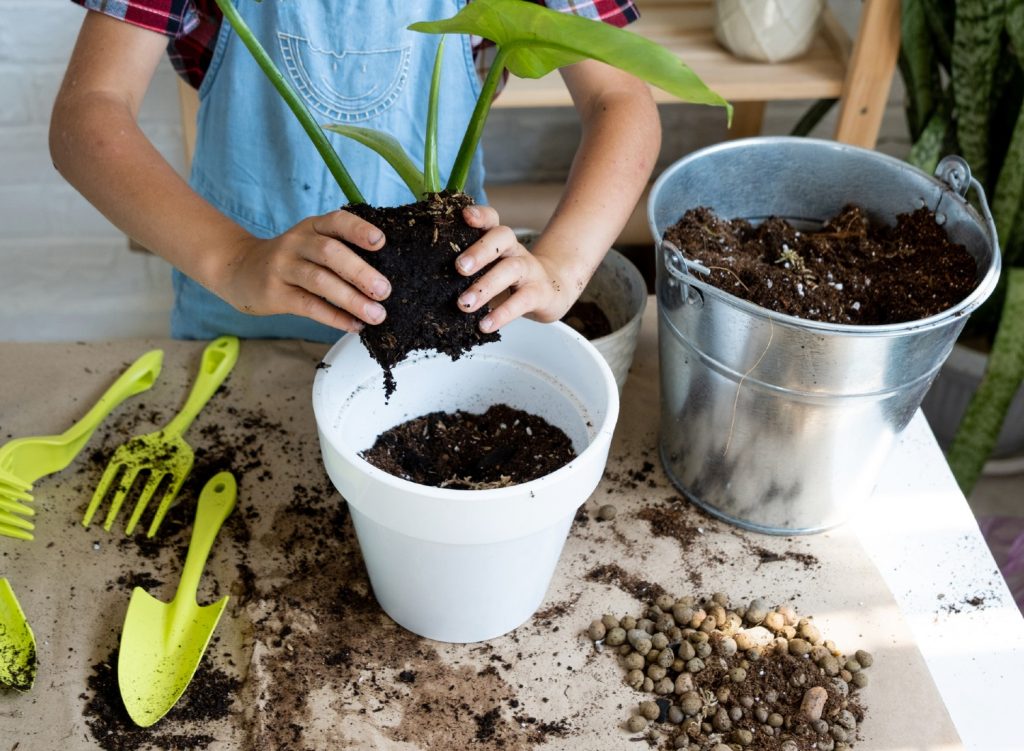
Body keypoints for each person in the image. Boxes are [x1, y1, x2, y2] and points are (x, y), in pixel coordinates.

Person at [50, 0, 661, 342]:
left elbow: (620, 101)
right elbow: (88, 116)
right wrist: (234, 260)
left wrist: (560, 265)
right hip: (245, 320)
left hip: (445, 306)